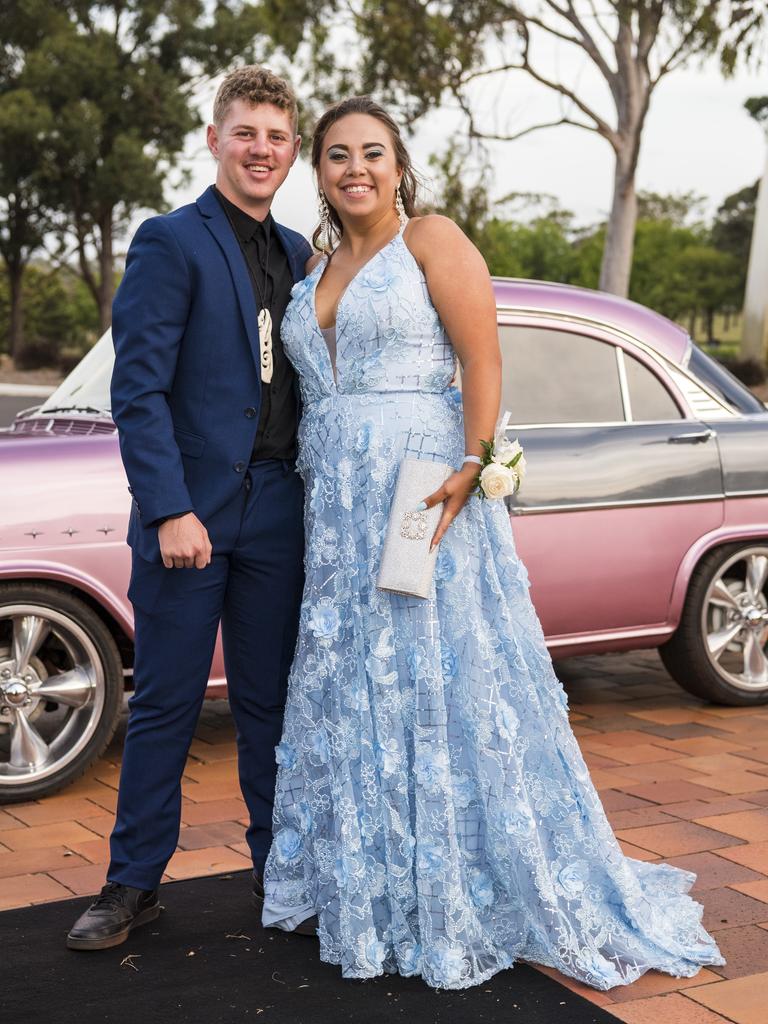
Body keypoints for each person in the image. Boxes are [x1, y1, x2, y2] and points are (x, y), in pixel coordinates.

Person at [260, 96, 725, 990]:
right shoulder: (315, 261)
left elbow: (484, 360)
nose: (354, 167)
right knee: (358, 678)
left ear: (399, 166)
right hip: (337, 503)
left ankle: (459, 881)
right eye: (336, 155)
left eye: (372, 153)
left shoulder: (431, 240)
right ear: (316, 172)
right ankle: (375, 877)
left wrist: (473, 468)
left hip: (417, 486)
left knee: (432, 670)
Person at [67, 66, 312, 950]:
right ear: (215, 139)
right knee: (168, 703)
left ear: (292, 153)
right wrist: (170, 508)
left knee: (271, 705)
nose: (261, 150)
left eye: (278, 138)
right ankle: (132, 883)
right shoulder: (169, 240)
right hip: (190, 519)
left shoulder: (300, 252)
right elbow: (138, 390)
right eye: (246, 133)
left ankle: (280, 871)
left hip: (280, 515)